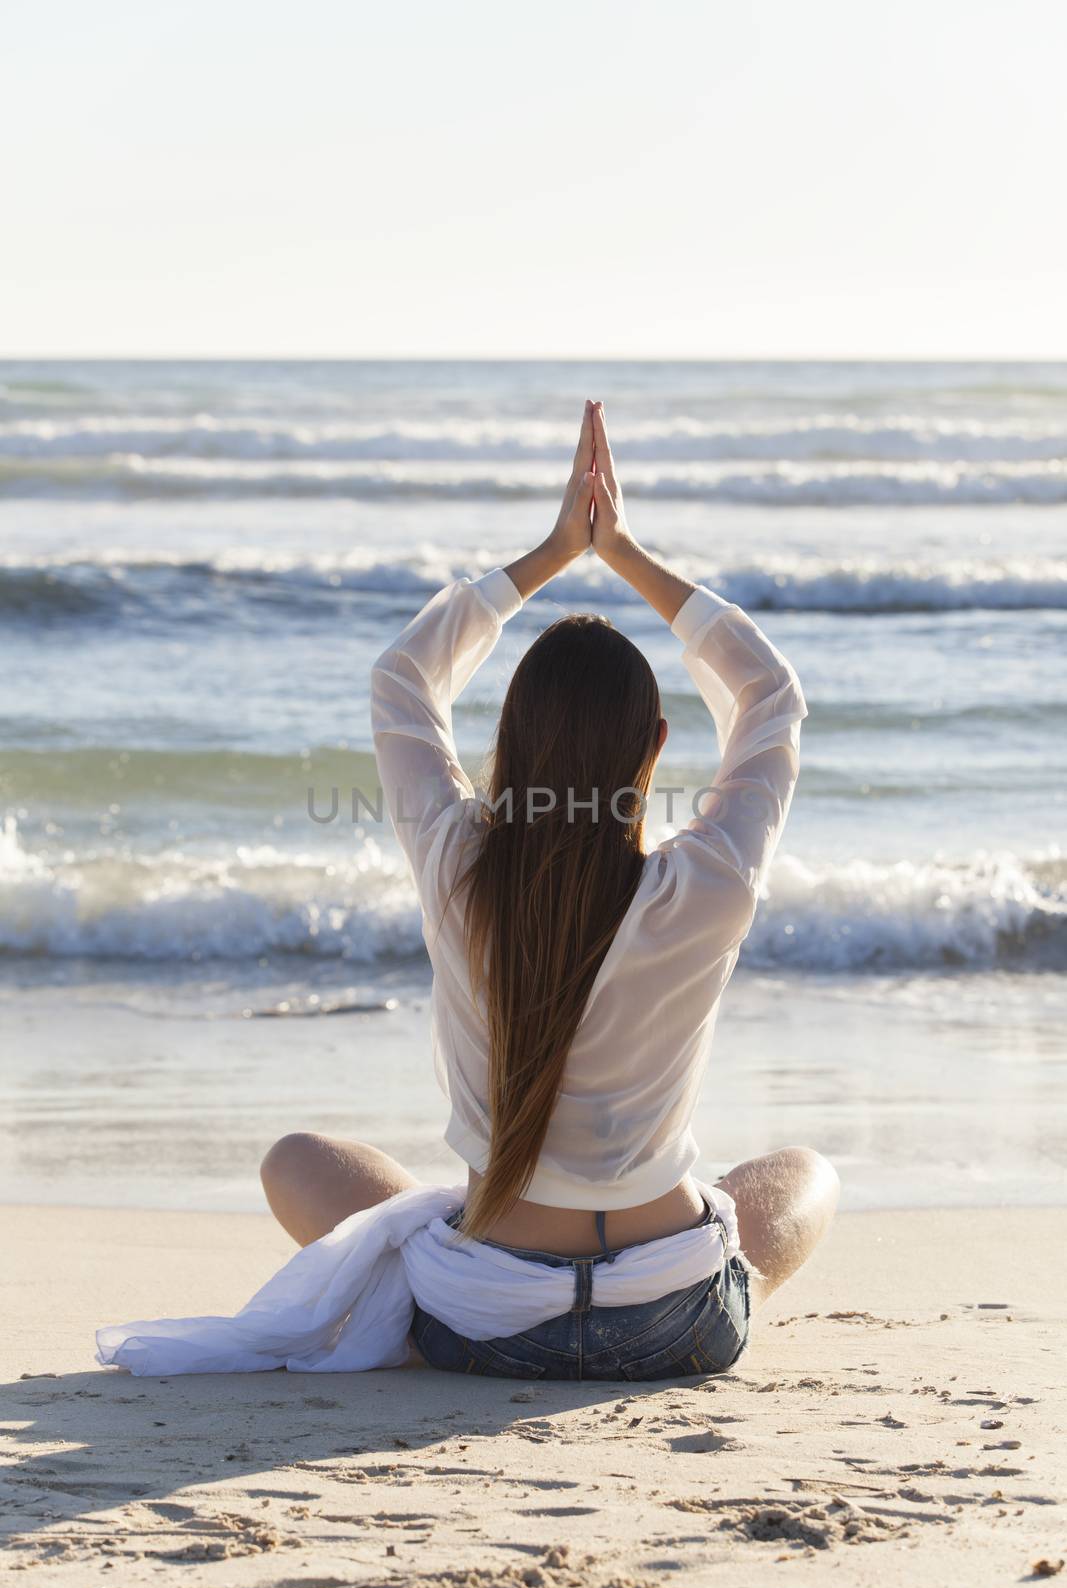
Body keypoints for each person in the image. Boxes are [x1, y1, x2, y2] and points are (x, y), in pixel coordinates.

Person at [256, 400, 839, 1381]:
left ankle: (409, 1295)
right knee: (801, 1178)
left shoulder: (453, 865)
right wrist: (625, 554)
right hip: (672, 1325)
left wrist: (550, 552)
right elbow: (770, 696)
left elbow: (403, 676)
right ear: (653, 750)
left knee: (297, 1162)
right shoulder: (707, 887)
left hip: (480, 1320)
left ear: (509, 746)